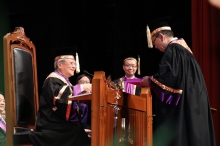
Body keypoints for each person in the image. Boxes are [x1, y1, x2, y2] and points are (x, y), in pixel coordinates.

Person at [141, 16, 216, 146]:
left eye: (154, 42)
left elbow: (169, 77)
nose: (155, 46)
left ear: (161, 37)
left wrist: (150, 80)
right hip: (194, 99)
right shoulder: (184, 50)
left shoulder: (174, 49)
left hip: (186, 101)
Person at [31, 49, 91, 146]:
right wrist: (81, 87)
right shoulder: (52, 79)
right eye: (71, 63)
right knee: (79, 132)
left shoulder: (65, 81)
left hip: (59, 123)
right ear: (60, 64)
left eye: (75, 64)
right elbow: (60, 100)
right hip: (51, 125)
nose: (74, 67)